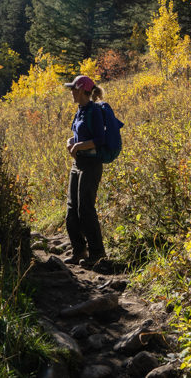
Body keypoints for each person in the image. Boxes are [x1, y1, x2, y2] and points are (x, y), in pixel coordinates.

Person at [63, 74, 106, 266]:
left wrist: (78, 146)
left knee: (85, 209)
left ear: (81, 90)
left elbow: (100, 140)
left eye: (73, 88)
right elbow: (77, 135)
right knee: (72, 209)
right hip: (78, 163)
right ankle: (79, 251)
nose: (71, 92)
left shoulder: (94, 111)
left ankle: (97, 255)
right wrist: (70, 142)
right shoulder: (80, 110)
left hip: (91, 164)